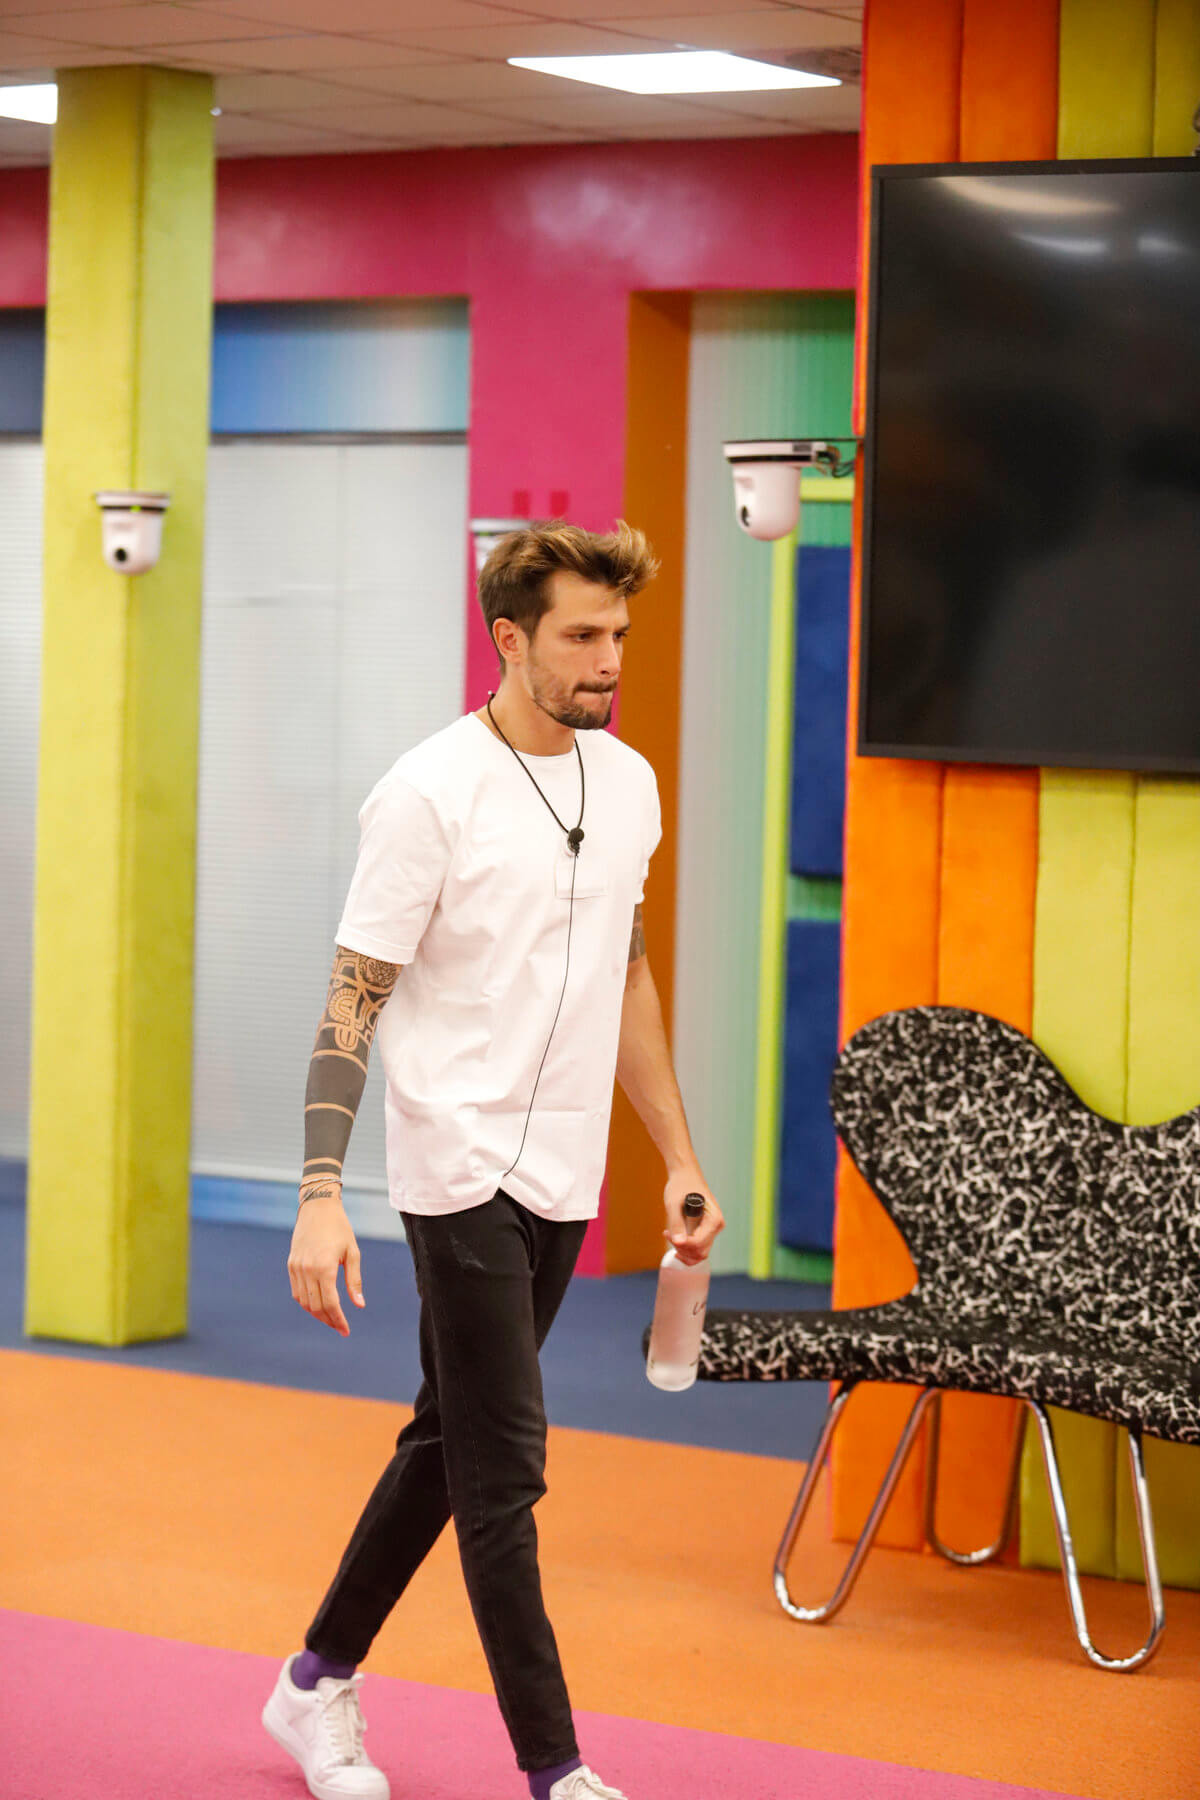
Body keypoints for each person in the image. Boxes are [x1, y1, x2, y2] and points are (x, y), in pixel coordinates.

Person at [261, 520, 725, 1800]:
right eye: (581, 635)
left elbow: (626, 973)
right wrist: (317, 1192)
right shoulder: (427, 793)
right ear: (510, 639)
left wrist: (676, 1155)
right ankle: (557, 1768)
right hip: (456, 1162)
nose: (608, 659)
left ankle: (313, 1684)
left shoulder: (628, 784)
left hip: (566, 1167)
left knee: (450, 1439)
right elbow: (352, 1001)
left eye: (618, 633)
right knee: (506, 1468)